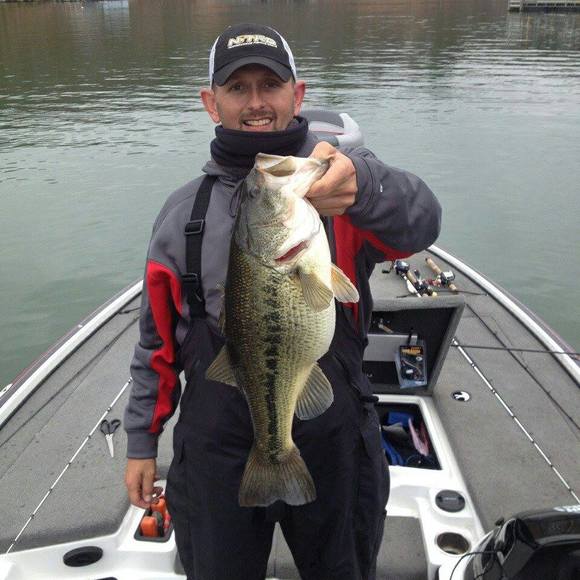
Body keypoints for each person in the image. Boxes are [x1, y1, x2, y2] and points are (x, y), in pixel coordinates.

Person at [124, 23, 441, 580]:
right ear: (211, 103)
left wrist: (367, 185)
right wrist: (141, 441)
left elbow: (422, 223)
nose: (256, 102)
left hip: (333, 435)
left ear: (298, 95)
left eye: (270, 85)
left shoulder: (340, 191)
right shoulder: (180, 216)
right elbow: (157, 343)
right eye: (237, 88)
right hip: (216, 444)